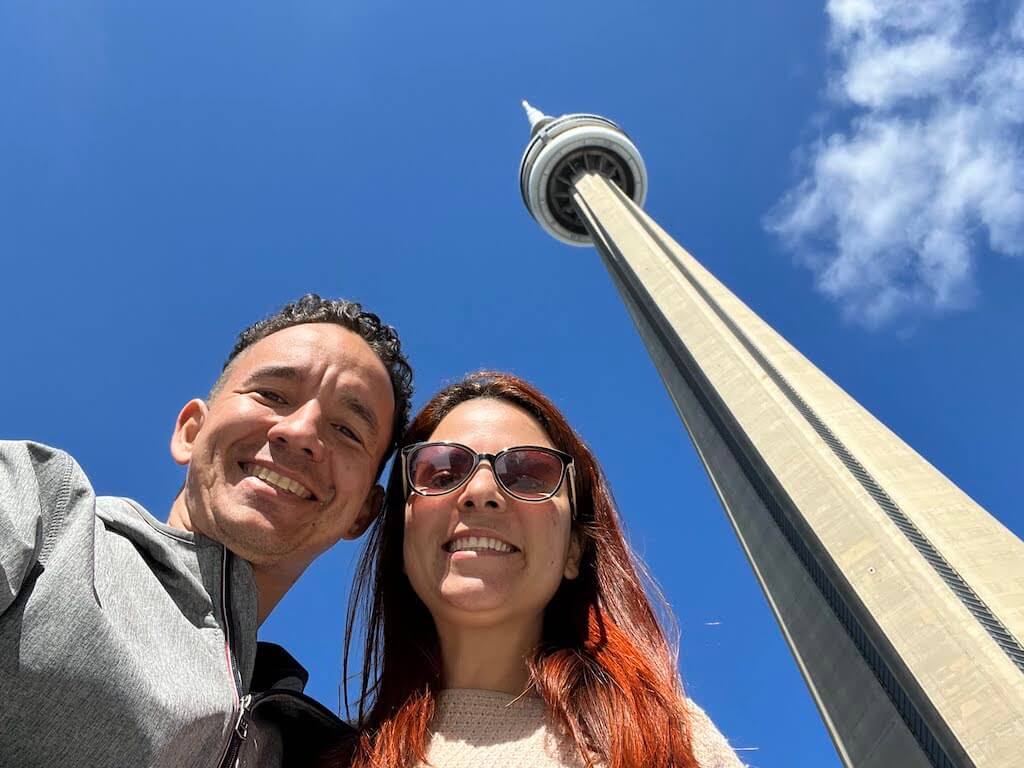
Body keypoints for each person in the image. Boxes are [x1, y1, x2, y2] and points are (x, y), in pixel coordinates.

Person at [0, 294, 412, 768]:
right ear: (191, 432)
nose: (300, 431)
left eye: (347, 430)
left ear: (364, 512)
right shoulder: (42, 511)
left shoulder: (314, 749)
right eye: (272, 395)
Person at [333, 371, 743, 768]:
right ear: (403, 539)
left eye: (530, 475)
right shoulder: (322, 755)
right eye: (442, 473)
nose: (480, 492)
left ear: (573, 549)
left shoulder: (670, 740)